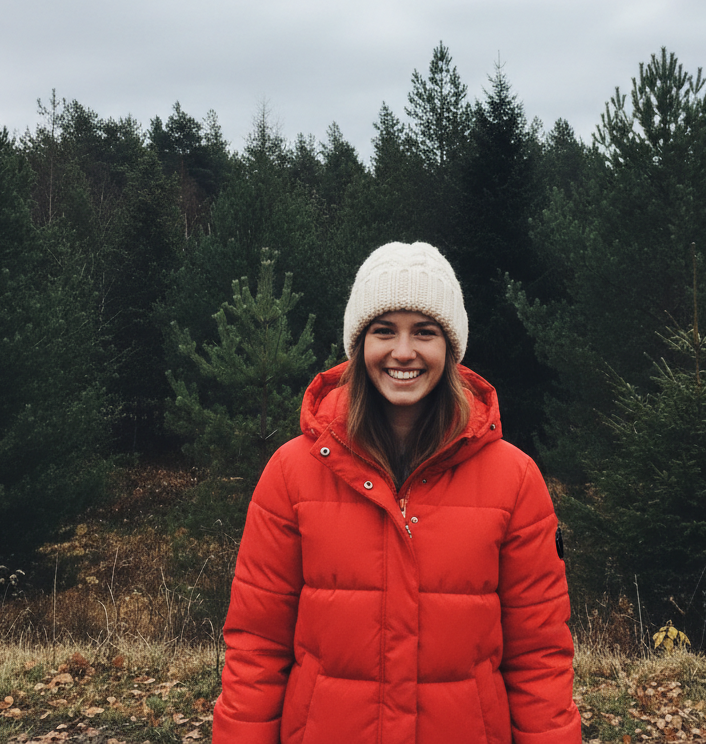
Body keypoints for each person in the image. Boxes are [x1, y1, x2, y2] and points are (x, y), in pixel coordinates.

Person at [213, 241, 581, 744]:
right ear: (359, 343)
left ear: (449, 348)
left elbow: (540, 660)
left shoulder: (515, 480)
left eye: (424, 333)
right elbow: (256, 649)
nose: (403, 352)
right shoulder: (291, 472)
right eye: (384, 331)